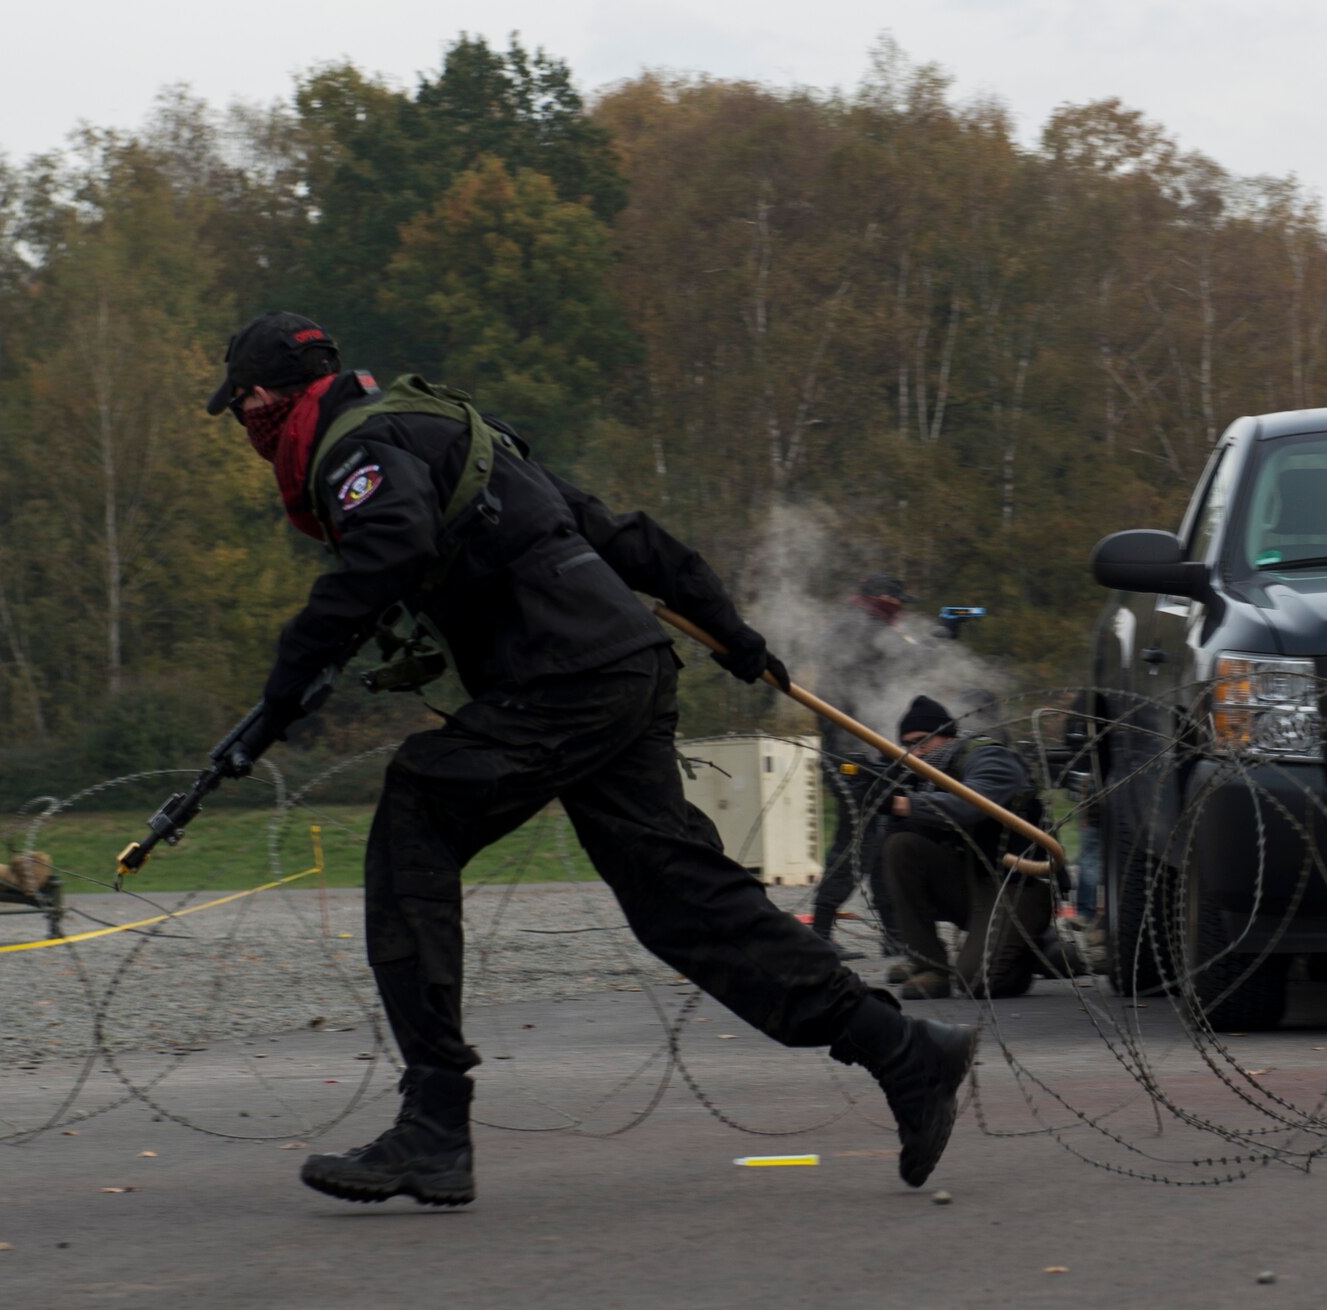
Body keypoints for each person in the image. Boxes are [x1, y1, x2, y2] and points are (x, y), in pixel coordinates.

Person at [204, 310, 977, 1206]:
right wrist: (731, 632)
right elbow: (621, 536)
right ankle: (905, 1054)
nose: (247, 427)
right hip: (621, 668)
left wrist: (279, 693)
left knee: (417, 809)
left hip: (564, 679)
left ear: (265, 397)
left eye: (243, 409)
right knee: (680, 901)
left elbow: (392, 545)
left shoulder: (354, 448)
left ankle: (434, 1124)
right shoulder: (444, 424)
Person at [882, 695, 1055, 1000]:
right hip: (970, 882)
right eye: (907, 745)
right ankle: (930, 967)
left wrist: (900, 803)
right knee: (901, 847)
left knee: (975, 981)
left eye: (923, 741)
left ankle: (1033, 951)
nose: (916, 752)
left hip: (1016, 886)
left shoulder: (988, 758)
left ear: (947, 736)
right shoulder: (925, 776)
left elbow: (972, 805)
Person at [809, 573, 921, 960]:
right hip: (855, 757)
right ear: (883, 599)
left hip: (867, 755)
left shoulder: (854, 626)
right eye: (898, 602)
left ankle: (893, 935)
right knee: (856, 844)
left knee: (880, 842)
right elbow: (892, 669)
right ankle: (820, 932)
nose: (902, 611)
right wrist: (938, 641)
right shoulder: (860, 628)